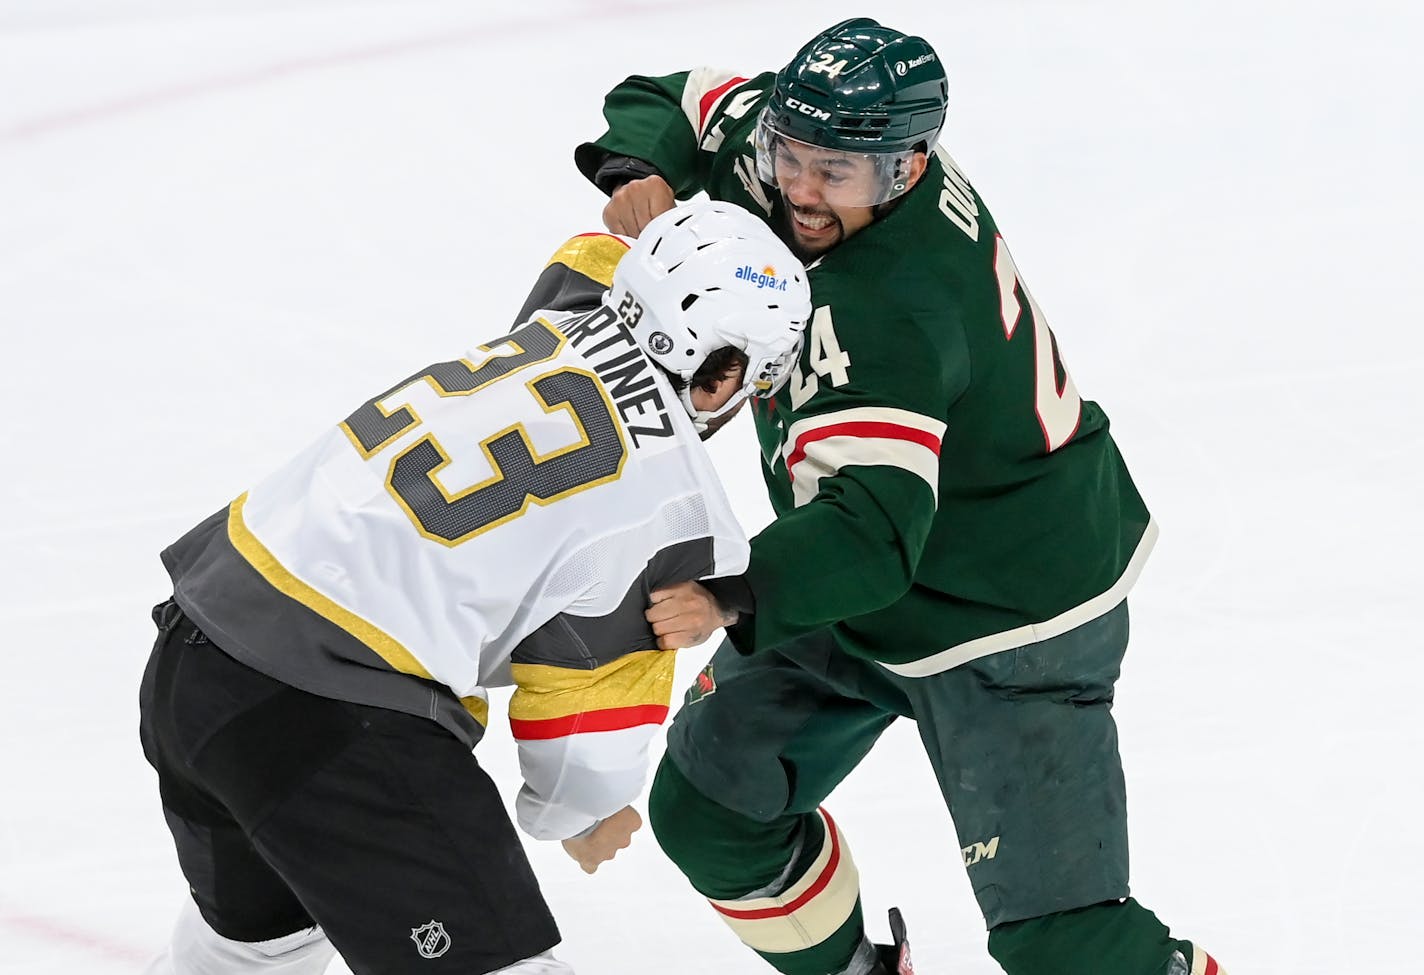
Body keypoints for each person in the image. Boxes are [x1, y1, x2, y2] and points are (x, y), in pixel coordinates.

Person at [575, 17, 1228, 975]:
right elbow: (678, 95)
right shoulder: (814, 149)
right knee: (712, 811)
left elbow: (874, 533)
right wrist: (645, 170)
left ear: (908, 167)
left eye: (834, 173)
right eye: (788, 154)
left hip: (1009, 611)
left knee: (1066, 943)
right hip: (851, 577)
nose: (800, 189)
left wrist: (725, 595)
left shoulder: (894, 306)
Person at [138, 199, 811, 975]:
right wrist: (582, 814)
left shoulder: (568, 308)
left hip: (193, 652)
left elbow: (593, 251)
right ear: (726, 371)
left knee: (251, 953)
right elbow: (585, 722)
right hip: (325, 720)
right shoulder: (673, 509)